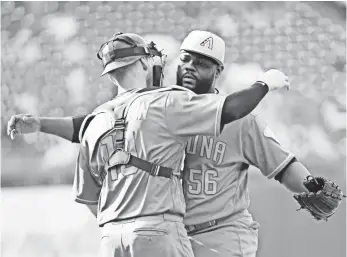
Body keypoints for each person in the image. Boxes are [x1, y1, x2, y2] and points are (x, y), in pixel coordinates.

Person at [7, 30, 291, 257]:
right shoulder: (165, 102)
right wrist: (265, 83)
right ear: (143, 63)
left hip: (111, 237)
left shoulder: (97, 120)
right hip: (158, 228)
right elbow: (229, 109)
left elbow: (88, 190)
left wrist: (41, 124)